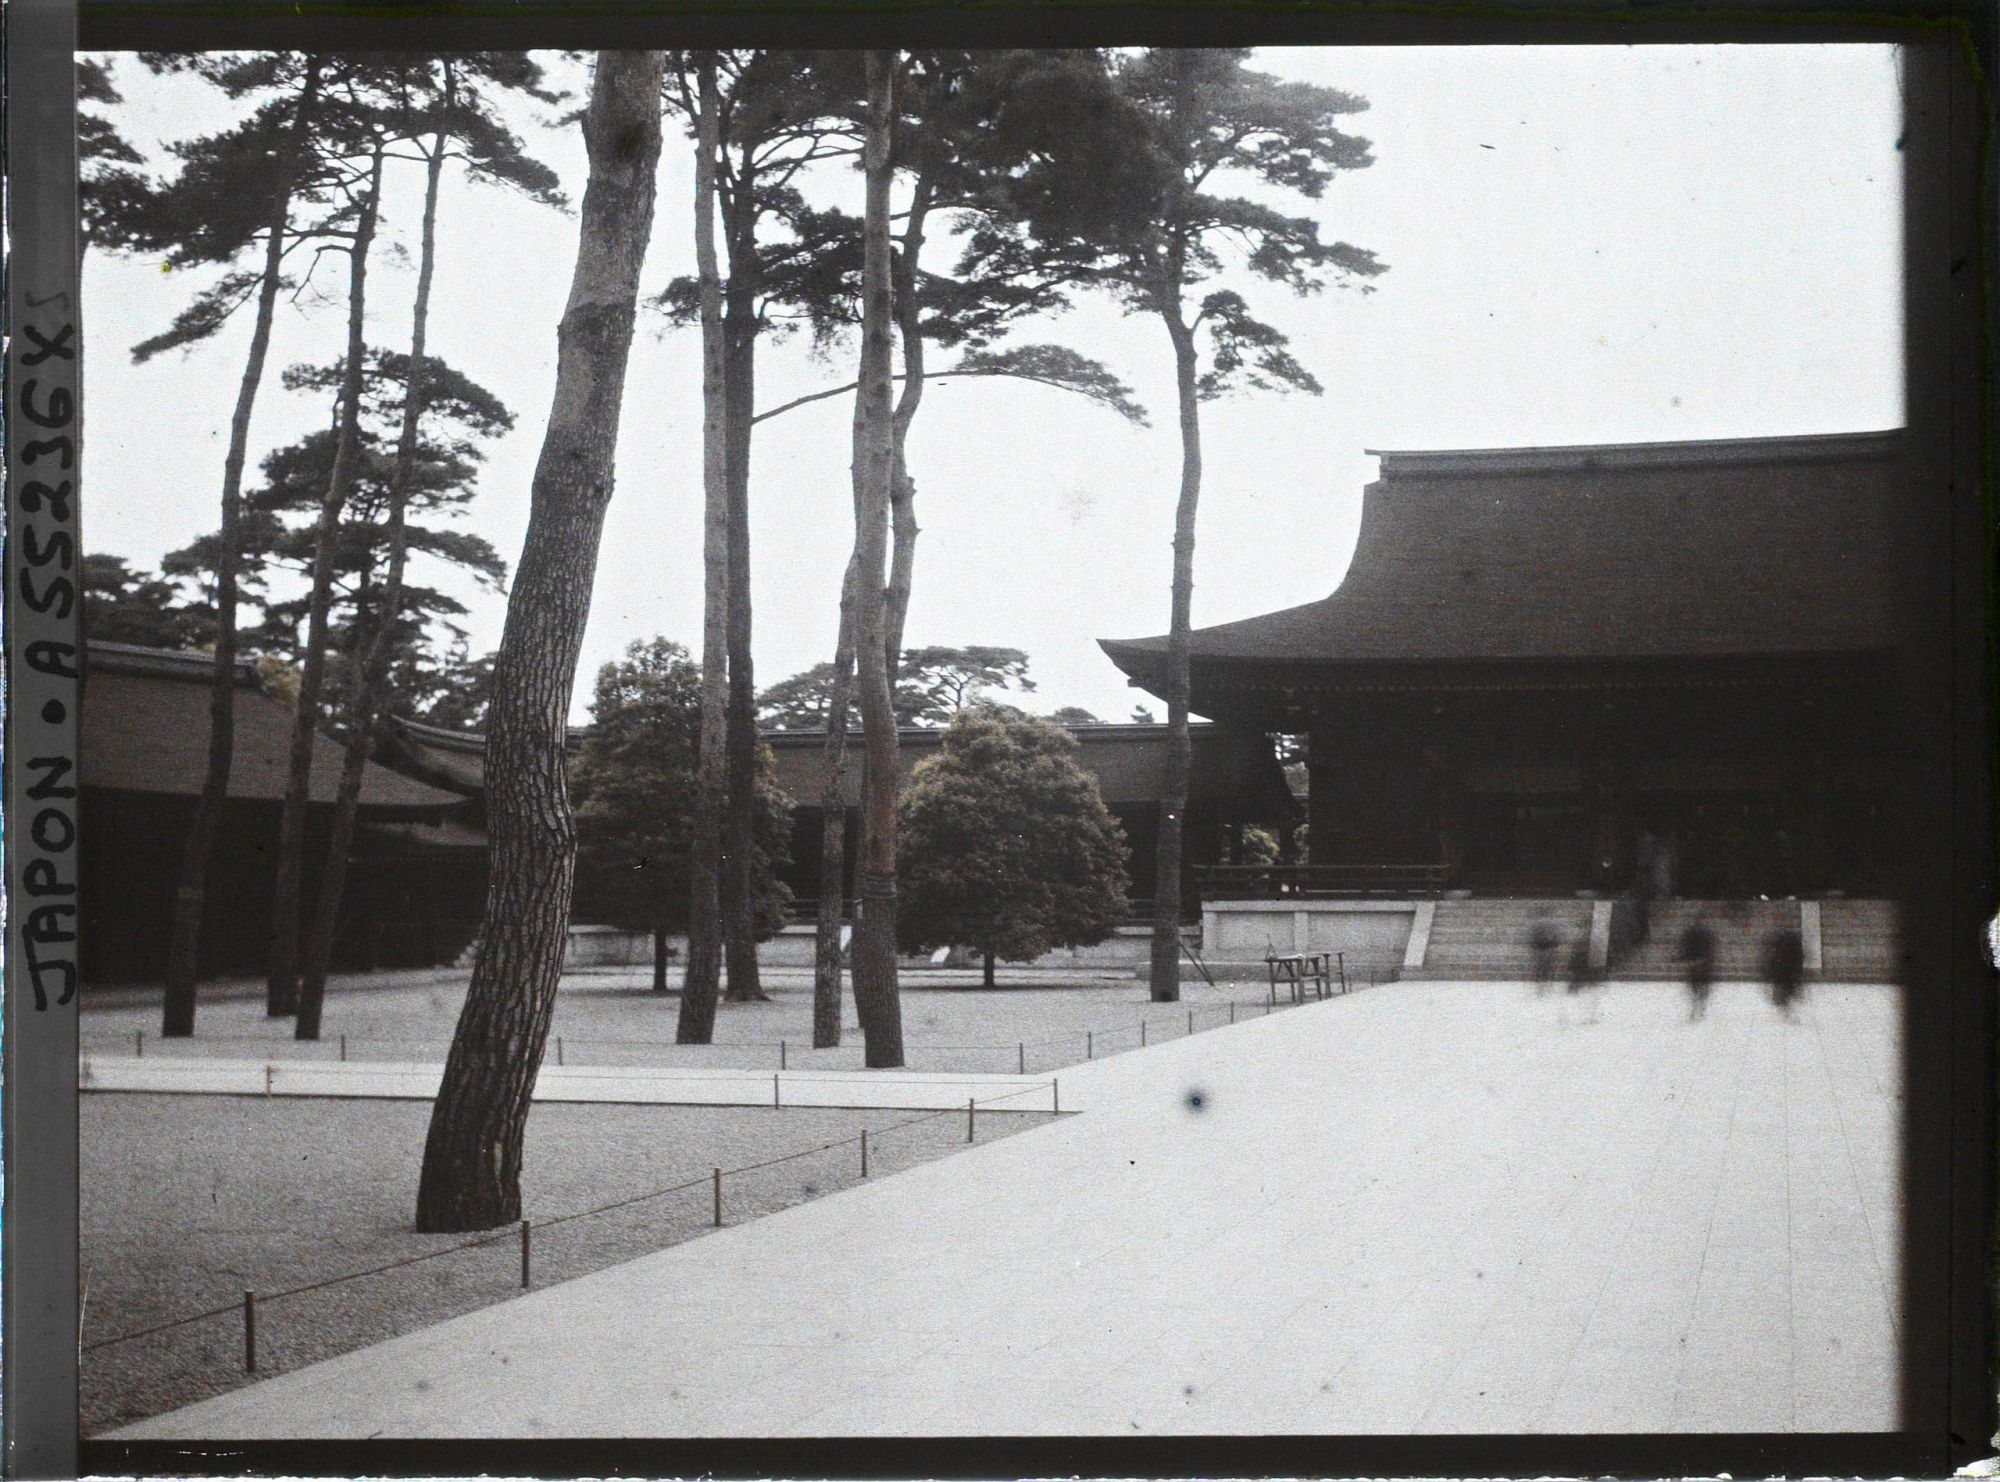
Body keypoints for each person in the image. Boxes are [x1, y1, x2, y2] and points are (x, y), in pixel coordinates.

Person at [1764, 927, 1806, 1019]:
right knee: (1787, 991)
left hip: (1781, 974)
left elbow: (1771, 961)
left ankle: (1783, 1008)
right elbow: (1799, 961)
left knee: (1783, 991)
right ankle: (1785, 1009)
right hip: (1787, 974)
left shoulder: (1777, 949)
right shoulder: (1795, 948)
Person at [1679, 918, 1717, 1020]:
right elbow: (1711, 947)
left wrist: (1685, 958)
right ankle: (1700, 1007)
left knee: (1695, 987)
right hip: (1703, 962)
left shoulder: (1690, 933)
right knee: (1702, 987)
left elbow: (1684, 947)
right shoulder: (1706, 934)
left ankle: (1696, 1007)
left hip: (1694, 962)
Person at [1528, 916, 1562, 992]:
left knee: (1541, 964)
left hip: (1542, 947)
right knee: (1546, 964)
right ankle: (1544, 980)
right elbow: (1555, 937)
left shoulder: (1537, 925)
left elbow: (1533, 936)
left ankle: (1541, 979)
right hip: (1546, 947)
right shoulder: (1551, 925)